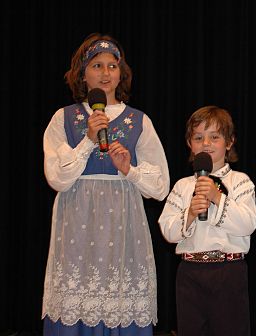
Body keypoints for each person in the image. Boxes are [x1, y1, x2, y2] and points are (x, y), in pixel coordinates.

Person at [42, 32, 170, 335]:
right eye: (96, 66)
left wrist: (130, 170)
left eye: (112, 66)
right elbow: (57, 178)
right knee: (77, 298)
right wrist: (87, 141)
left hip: (122, 226)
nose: (105, 73)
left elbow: (161, 185)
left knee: (119, 297)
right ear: (83, 75)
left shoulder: (139, 120)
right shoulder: (64, 118)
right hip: (77, 225)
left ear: (121, 73)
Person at [158, 106, 256, 336]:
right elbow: (168, 231)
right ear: (189, 144)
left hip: (229, 272)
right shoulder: (182, 186)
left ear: (229, 142)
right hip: (190, 273)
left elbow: (248, 223)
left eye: (215, 137)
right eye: (199, 137)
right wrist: (190, 214)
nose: (206, 144)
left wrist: (216, 196)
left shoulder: (240, 181)